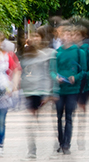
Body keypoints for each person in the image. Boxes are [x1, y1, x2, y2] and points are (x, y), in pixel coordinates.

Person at [51, 26, 86, 155]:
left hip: (72, 90)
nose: (66, 37)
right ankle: (61, 142)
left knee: (69, 117)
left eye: (68, 34)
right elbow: (52, 70)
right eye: (63, 34)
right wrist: (56, 77)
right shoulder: (57, 53)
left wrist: (75, 77)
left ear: (72, 37)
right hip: (60, 89)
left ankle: (67, 144)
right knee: (59, 117)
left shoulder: (79, 52)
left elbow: (83, 71)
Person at [21, 27, 54, 159]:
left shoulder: (47, 54)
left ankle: (52, 147)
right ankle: (32, 150)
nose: (34, 39)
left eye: (37, 36)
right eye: (33, 36)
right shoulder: (27, 53)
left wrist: (47, 93)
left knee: (42, 123)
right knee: (31, 123)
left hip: (41, 91)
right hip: (29, 91)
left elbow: (47, 74)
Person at [74, 25, 89, 150]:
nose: (74, 37)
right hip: (69, 86)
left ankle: (80, 138)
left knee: (81, 113)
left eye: (77, 35)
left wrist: (83, 76)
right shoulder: (68, 50)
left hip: (83, 86)